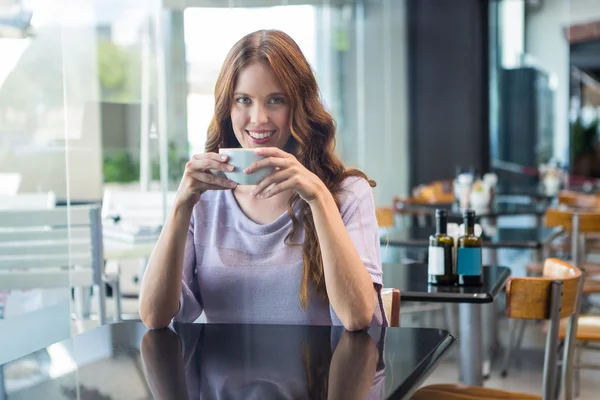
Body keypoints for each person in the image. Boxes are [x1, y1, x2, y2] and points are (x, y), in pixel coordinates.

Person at [139, 29, 385, 331]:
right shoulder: (205, 198)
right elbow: (154, 316)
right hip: (222, 378)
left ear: (299, 107)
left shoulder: (347, 194)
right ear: (227, 108)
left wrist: (318, 198)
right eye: (244, 100)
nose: (258, 119)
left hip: (320, 378)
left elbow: (358, 316)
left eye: (275, 100)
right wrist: (181, 205)